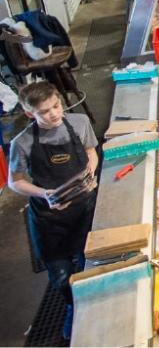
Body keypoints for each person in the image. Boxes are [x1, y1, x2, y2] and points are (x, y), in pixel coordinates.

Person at [8, 81, 99, 340]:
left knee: (87, 262)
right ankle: (72, 306)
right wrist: (44, 194)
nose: (55, 114)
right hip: (50, 218)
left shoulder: (79, 123)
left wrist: (90, 171)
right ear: (30, 114)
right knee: (60, 276)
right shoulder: (22, 142)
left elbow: (91, 151)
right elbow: (16, 181)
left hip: (84, 207)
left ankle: (90, 306)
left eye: (57, 106)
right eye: (45, 112)